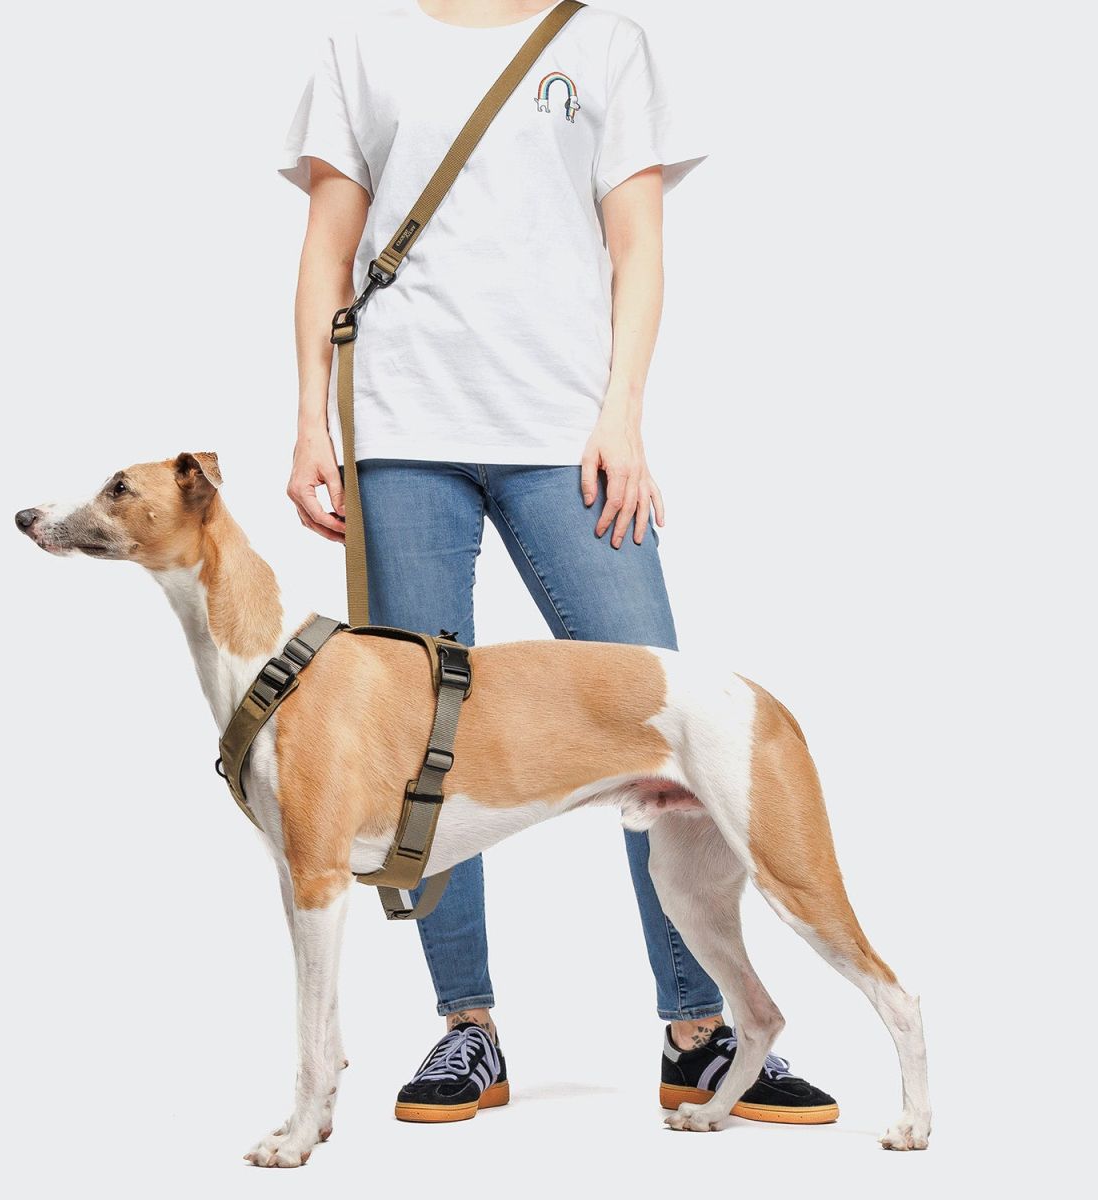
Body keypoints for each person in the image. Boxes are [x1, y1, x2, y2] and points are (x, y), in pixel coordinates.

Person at [280, 0, 836, 1125]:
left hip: (567, 438)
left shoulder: (605, 42)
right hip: (401, 434)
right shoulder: (360, 46)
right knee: (418, 751)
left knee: (663, 721)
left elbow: (639, 249)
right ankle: (466, 1028)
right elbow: (327, 252)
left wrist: (623, 413)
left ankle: (698, 1033)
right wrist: (309, 424)